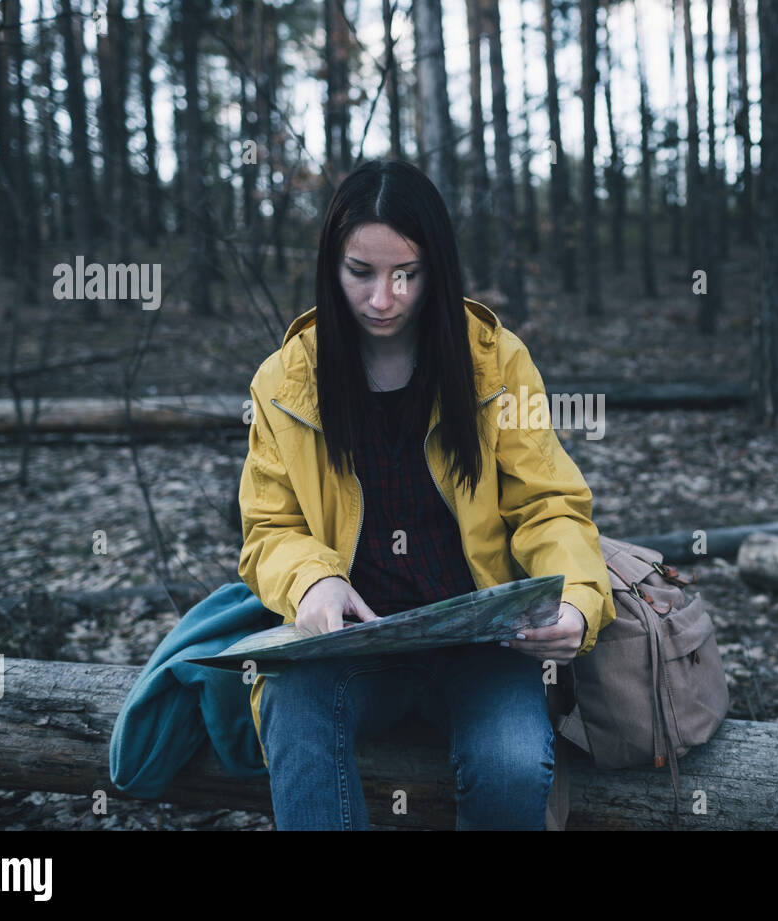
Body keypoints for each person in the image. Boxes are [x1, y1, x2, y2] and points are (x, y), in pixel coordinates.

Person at [237, 159, 616, 830]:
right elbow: (270, 529)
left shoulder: (496, 362)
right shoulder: (285, 380)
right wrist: (313, 582)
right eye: (361, 272)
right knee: (292, 718)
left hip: (482, 646)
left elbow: (548, 504)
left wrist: (581, 602)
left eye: (405, 274)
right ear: (332, 266)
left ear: (436, 267)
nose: (384, 298)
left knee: (511, 760)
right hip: (353, 647)